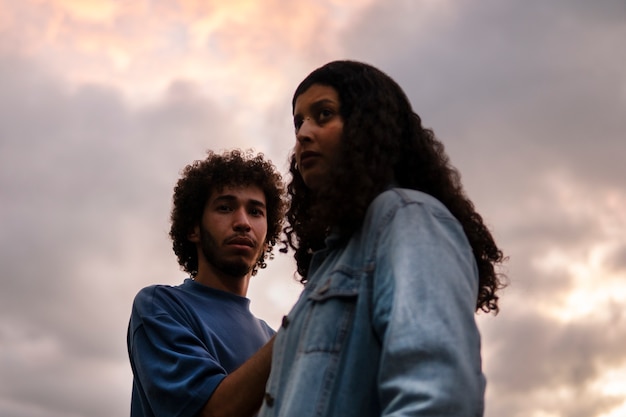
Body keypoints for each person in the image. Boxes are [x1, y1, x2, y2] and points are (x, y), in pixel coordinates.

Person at [258, 60, 507, 417]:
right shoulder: (333, 258)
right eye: (299, 122)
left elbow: (437, 399)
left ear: (367, 126)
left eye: (324, 114)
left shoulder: (408, 217)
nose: (303, 134)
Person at [128, 149, 286, 417]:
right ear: (193, 229)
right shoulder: (161, 306)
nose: (243, 223)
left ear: (268, 237)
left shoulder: (272, 337)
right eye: (225, 207)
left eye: (256, 211)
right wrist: (295, 334)